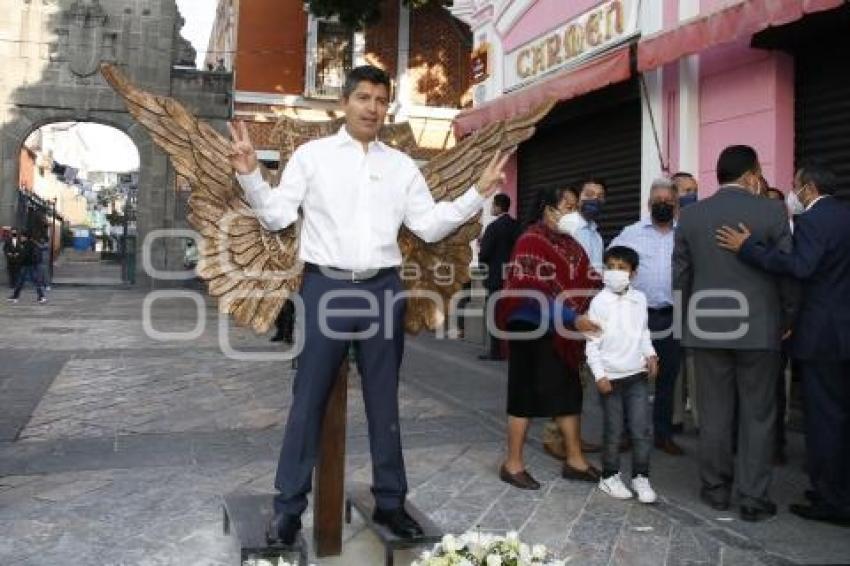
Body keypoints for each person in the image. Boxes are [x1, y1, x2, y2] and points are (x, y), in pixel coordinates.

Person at [228, 65, 511, 544]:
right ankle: (288, 510)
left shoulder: (401, 167)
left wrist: (475, 195)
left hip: (383, 290)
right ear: (345, 102)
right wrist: (252, 176)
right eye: (363, 97)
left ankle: (392, 504)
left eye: (381, 100)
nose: (372, 108)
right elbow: (276, 217)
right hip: (325, 289)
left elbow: (429, 225)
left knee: (385, 403)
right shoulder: (312, 156)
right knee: (307, 402)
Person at [716, 162, 850, 527]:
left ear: (807, 188)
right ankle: (838, 489)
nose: (793, 192)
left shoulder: (811, 222)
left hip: (823, 337)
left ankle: (831, 501)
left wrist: (749, 248)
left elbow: (801, 267)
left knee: (825, 419)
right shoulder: (845, 215)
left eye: (795, 186)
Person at [673, 145, 798, 522]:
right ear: (751, 174)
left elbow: (680, 277)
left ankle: (715, 490)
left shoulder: (691, 216)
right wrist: (788, 318)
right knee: (758, 415)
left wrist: (684, 323)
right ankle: (752, 497)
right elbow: (787, 271)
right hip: (760, 328)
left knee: (713, 413)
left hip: (706, 329)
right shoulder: (773, 211)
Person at [495, 186, 602, 490]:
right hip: (529, 324)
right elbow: (530, 290)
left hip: (565, 332)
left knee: (568, 392)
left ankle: (575, 461)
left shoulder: (572, 244)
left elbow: (589, 277)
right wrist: (573, 317)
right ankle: (512, 464)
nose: (572, 212)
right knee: (524, 394)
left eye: (573, 207)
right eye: (567, 206)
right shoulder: (530, 241)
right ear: (547, 209)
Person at [611, 178, 684, 456]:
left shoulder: (685, 233)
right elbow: (611, 264)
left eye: (669, 202)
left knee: (667, 378)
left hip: (673, 315)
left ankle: (662, 434)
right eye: (658, 202)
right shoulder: (631, 233)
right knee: (632, 376)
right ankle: (628, 433)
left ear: (676, 205)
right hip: (637, 318)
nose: (663, 206)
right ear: (648, 204)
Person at [586, 245, 659, 503]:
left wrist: (650, 354)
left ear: (633, 273)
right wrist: (599, 376)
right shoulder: (598, 302)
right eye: (611, 267)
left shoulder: (639, 299)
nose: (615, 272)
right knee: (614, 431)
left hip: (637, 375)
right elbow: (592, 344)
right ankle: (609, 476)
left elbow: (643, 332)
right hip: (611, 379)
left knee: (641, 429)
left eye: (622, 268)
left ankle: (641, 477)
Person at [478, 193, 520, 360]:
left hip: (495, 278)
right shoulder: (516, 226)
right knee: (511, 313)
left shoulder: (493, 228)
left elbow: (485, 253)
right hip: (513, 277)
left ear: (497, 206)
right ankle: (512, 350)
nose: (491, 208)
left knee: (494, 314)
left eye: (492, 205)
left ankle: (496, 351)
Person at [572, 178, 607, 271]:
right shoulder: (566, 228)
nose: (595, 199)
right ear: (576, 198)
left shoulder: (597, 237)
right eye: (589, 194)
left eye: (600, 196)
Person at [7, 230, 46, 304]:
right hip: (28, 265)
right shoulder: (28, 243)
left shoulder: (28, 244)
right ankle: (16, 296)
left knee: (30, 281)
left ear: (25, 237)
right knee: (23, 282)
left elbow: (25, 255)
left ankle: (41, 297)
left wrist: (18, 258)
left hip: (28, 265)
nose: (20, 237)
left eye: (21, 236)